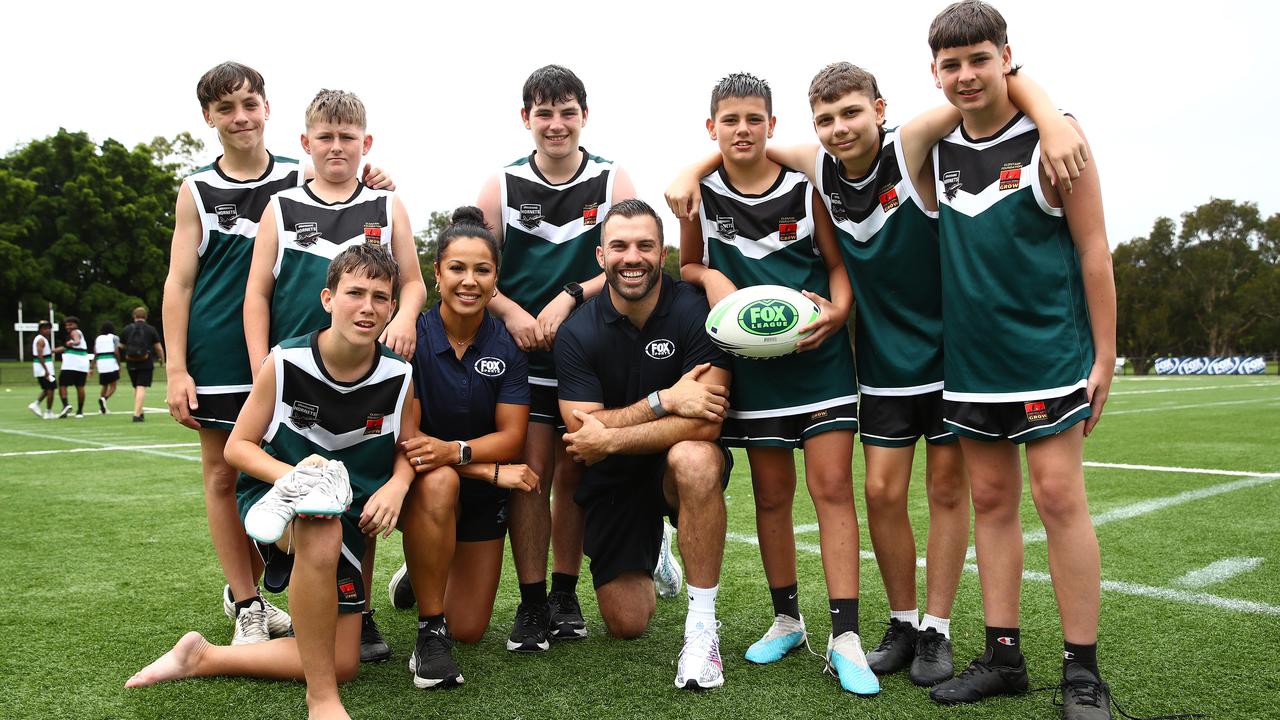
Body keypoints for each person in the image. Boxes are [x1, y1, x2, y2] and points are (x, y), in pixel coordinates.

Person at [666, 62, 1086, 689]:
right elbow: (727, 183)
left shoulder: (898, 150)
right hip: (881, 360)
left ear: (881, 109)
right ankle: (896, 622)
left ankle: (936, 630)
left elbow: (991, 86)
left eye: (851, 113)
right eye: (827, 119)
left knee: (947, 490)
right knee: (880, 493)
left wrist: (1051, 119)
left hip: (951, 353)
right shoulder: (806, 170)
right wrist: (691, 170)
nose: (839, 128)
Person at [127, 246, 445, 720]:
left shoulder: (399, 375)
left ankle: (202, 656)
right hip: (279, 497)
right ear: (327, 298)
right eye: (354, 293)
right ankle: (321, 701)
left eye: (381, 297)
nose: (368, 307)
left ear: (393, 307)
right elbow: (237, 447)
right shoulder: (285, 361)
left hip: (351, 508)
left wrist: (398, 486)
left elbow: (409, 447)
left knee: (343, 661)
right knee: (319, 518)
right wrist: (297, 476)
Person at [924, 4, 1117, 718]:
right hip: (972, 364)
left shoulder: (1054, 140)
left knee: (1059, 497)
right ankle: (1004, 657)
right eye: (952, 64)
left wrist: (1106, 352)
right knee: (994, 503)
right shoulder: (934, 148)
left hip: (1048, 355)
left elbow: (1095, 250)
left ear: (1008, 56)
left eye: (981, 58)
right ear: (934, 71)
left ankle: (1082, 671)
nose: (967, 75)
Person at [163, 62, 396, 648]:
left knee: (327, 471)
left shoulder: (306, 170)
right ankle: (247, 604)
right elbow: (180, 283)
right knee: (224, 473)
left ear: (268, 108)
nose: (240, 117)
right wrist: (175, 367)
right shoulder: (196, 189)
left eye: (249, 104)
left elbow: (358, 194)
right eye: (225, 108)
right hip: (220, 352)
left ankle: (325, 588)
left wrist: (380, 180)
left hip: (307, 356)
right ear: (209, 118)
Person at [674, 72, 875, 696]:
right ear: (713, 129)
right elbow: (686, 263)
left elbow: (838, 269)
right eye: (729, 120)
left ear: (771, 125)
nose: (742, 130)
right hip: (754, 372)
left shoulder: (806, 186)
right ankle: (787, 619)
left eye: (753, 119)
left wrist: (838, 313)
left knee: (832, 488)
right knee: (770, 495)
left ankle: (846, 637)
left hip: (819, 363)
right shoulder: (700, 196)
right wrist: (710, 281)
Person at [476, 64, 662, 654]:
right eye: (544, 113)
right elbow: (477, 268)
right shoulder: (501, 185)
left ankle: (564, 591)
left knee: (577, 470)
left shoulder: (612, 179)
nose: (556, 124)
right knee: (532, 474)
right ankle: (532, 604)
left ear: (584, 115)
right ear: (525, 118)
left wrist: (569, 296)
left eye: (567, 112)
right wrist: (511, 313)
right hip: (522, 354)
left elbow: (629, 258)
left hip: (591, 351)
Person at [243, 87, 426, 661]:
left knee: (361, 482)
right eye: (325, 136)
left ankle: (361, 609)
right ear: (305, 143)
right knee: (302, 486)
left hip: (365, 371)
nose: (337, 146)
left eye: (348, 137)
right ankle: (296, 586)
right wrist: (260, 365)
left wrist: (407, 320)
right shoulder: (281, 206)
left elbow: (414, 281)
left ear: (365, 143)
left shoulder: (386, 205)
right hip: (298, 374)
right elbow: (257, 293)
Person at [554, 199, 733, 689]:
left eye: (644, 245)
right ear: (600, 256)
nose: (632, 257)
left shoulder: (697, 312)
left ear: (663, 253)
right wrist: (663, 400)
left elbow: (707, 424)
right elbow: (580, 431)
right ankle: (657, 550)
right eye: (619, 246)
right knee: (627, 624)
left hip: (673, 466)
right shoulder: (577, 332)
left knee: (694, 458)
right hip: (615, 478)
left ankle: (701, 630)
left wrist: (609, 437)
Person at [390, 207, 541, 681]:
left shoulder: (507, 345)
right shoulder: (410, 337)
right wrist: (484, 468)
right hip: (425, 485)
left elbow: (513, 437)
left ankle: (422, 568)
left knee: (471, 629)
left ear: (496, 279)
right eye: (457, 267)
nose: (469, 280)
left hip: (477, 496)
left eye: (482, 269)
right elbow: (411, 443)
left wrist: (456, 453)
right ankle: (429, 633)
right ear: (436, 273)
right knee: (437, 483)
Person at [121, 307, 164, 422]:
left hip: (130, 362)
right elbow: (158, 348)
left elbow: (121, 346)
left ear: (134, 316)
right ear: (146, 317)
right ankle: (136, 414)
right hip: (146, 362)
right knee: (141, 387)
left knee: (136, 387)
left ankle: (140, 412)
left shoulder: (127, 329)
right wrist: (162, 360)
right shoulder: (150, 329)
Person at [54, 316, 90, 418]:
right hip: (82, 364)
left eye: (70, 324)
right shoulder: (77, 334)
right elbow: (64, 348)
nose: (68, 327)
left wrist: (74, 342)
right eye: (66, 325)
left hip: (71, 364)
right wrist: (51, 351)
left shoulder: (75, 332)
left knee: (62, 385)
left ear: (76, 325)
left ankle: (65, 405)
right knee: (80, 386)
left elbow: (76, 341)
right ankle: (80, 411)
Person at [28, 320, 57, 419]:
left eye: (49, 328)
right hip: (44, 370)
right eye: (45, 328)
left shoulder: (42, 339)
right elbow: (40, 356)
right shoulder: (40, 340)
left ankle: (35, 404)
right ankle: (48, 412)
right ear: (40, 329)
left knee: (47, 389)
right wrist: (46, 370)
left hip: (44, 369)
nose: (48, 330)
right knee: (51, 389)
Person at [93, 321, 121, 414]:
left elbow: (95, 352)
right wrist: (119, 364)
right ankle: (104, 399)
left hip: (101, 364)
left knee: (104, 385)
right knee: (113, 386)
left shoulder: (98, 338)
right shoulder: (114, 338)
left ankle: (102, 408)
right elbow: (116, 351)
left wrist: (92, 366)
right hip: (111, 363)